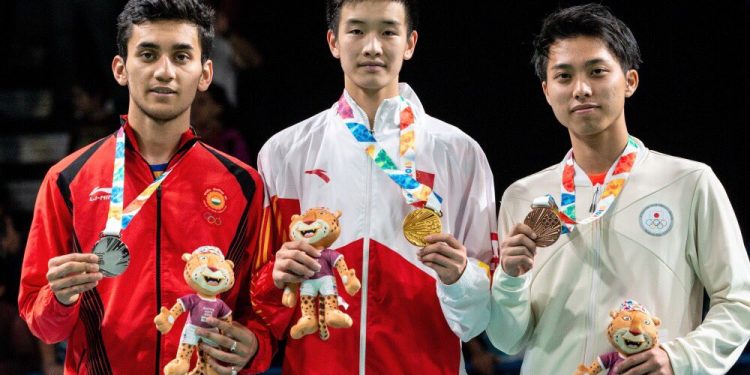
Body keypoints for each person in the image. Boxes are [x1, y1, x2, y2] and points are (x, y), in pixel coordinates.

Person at [487, 4, 750, 374]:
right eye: (564, 76)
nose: (581, 89)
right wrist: (510, 281)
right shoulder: (523, 196)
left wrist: (680, 358)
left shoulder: (689, 182)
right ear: (547, 91)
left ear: (629, 81)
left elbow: (739, 301)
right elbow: (507, 339)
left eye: (597, 72)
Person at [18, 1, 274, 373]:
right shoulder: (68, 180)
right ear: (121, 69)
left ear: (205, 74)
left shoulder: (243, 186)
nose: (164, 72)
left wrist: (254, 348)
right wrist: (59, 298)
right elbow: (43, 324)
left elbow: (261, 309)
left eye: (181, 56)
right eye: (148, 54)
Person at [250, 0, 497, 373]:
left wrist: (460, 277)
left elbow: (478, 320)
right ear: (333, 41)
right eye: (356, 30)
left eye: (387, 31)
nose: (372, 47)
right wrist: (275, 277)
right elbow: (264, 306)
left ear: (410, 43)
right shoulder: (284, 153)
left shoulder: (459, 153)